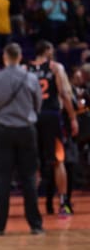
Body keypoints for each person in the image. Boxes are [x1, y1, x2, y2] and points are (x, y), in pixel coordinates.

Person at [0, 43, 44, 235]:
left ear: (5, 57)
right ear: (19, 57)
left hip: (4, 132)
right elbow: (38, 105)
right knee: (29, 179)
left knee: (3, 181)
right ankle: (36, 225)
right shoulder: (31, 78)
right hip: (26, 131)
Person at [28, 40, 78, 217]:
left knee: (33, 164)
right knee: (58, 160)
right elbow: (64, 93)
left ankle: (31, 206)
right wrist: (73, 118)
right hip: (51, 116)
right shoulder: (56, 67)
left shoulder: (27, 69)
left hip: (32, 117)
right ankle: (64, 203)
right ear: (48, 51)